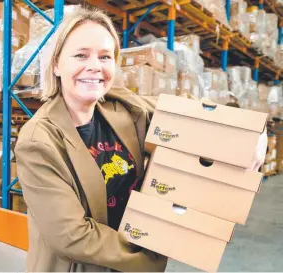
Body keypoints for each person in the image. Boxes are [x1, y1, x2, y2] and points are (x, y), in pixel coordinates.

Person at [14, 5, 267, 272]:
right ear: (56, 64)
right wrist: (152, 254)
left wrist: (254, 133)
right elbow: (71, 237)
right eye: (80, 55)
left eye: (104, 56)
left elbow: (193, 114)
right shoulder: (38, 141)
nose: (94, 67)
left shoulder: (123, 106)